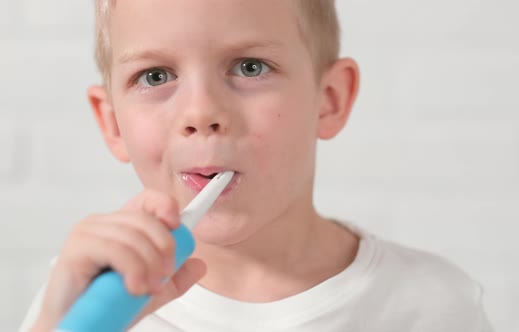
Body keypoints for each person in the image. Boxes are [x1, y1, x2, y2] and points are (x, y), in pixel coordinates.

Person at [19, 0, 493, 331]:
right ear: (113, 123)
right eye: (156, 76)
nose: (201, 113)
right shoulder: (85, 303)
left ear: (329, 100)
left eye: (249, 67)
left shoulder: (432, 304)